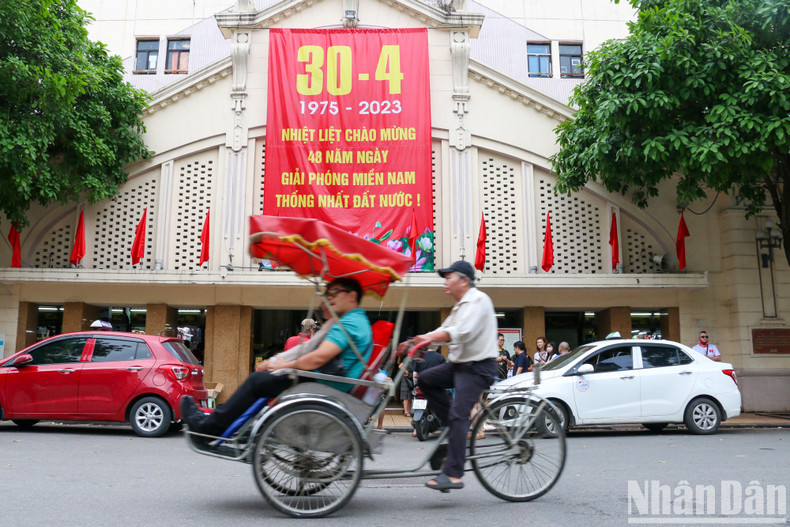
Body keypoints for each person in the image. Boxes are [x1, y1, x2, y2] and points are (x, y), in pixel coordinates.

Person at [181, 277, 372, 436]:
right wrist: (278, 364)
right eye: (328, 294)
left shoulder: (349, 323)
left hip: (324, 384)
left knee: (257, 381)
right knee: (264, 380)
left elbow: (318, 358)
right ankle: (236, 425)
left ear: (352, 295)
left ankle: (211, 426)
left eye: (334, 293)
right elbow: (311, 351)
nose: (329, 298)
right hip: (326, 382)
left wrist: (283, 366)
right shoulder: (351, 321)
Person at [404, 260, 498, 493]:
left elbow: (461, 333)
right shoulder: (459, 306)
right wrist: (414, 342)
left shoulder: (478, 300)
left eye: (449, 277)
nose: (445, 282)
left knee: (460, 414)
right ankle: (450, 424)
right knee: (425, 379)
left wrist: (425, 339)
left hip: (477, 367)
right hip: (459, 365)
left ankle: (454, 474)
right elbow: (438, 333)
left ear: (464, 280)